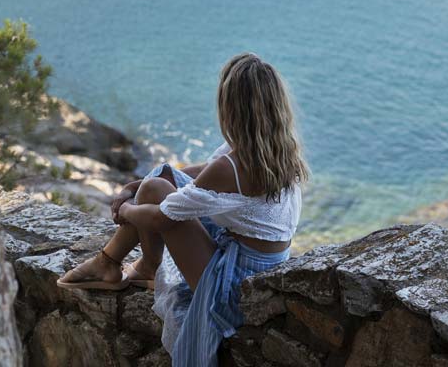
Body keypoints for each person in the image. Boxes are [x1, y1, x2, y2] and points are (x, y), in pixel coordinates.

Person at [57, 53, 308, 365]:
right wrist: (132, 187)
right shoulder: (276, 150)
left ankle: (120, 264)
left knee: (155, 193)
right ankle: (115, 263)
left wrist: (126, 209)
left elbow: (161, 217)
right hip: (263, 265)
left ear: (230, 108)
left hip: (235, 285)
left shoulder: (231, 166)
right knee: (155, 185)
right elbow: (184, 174)